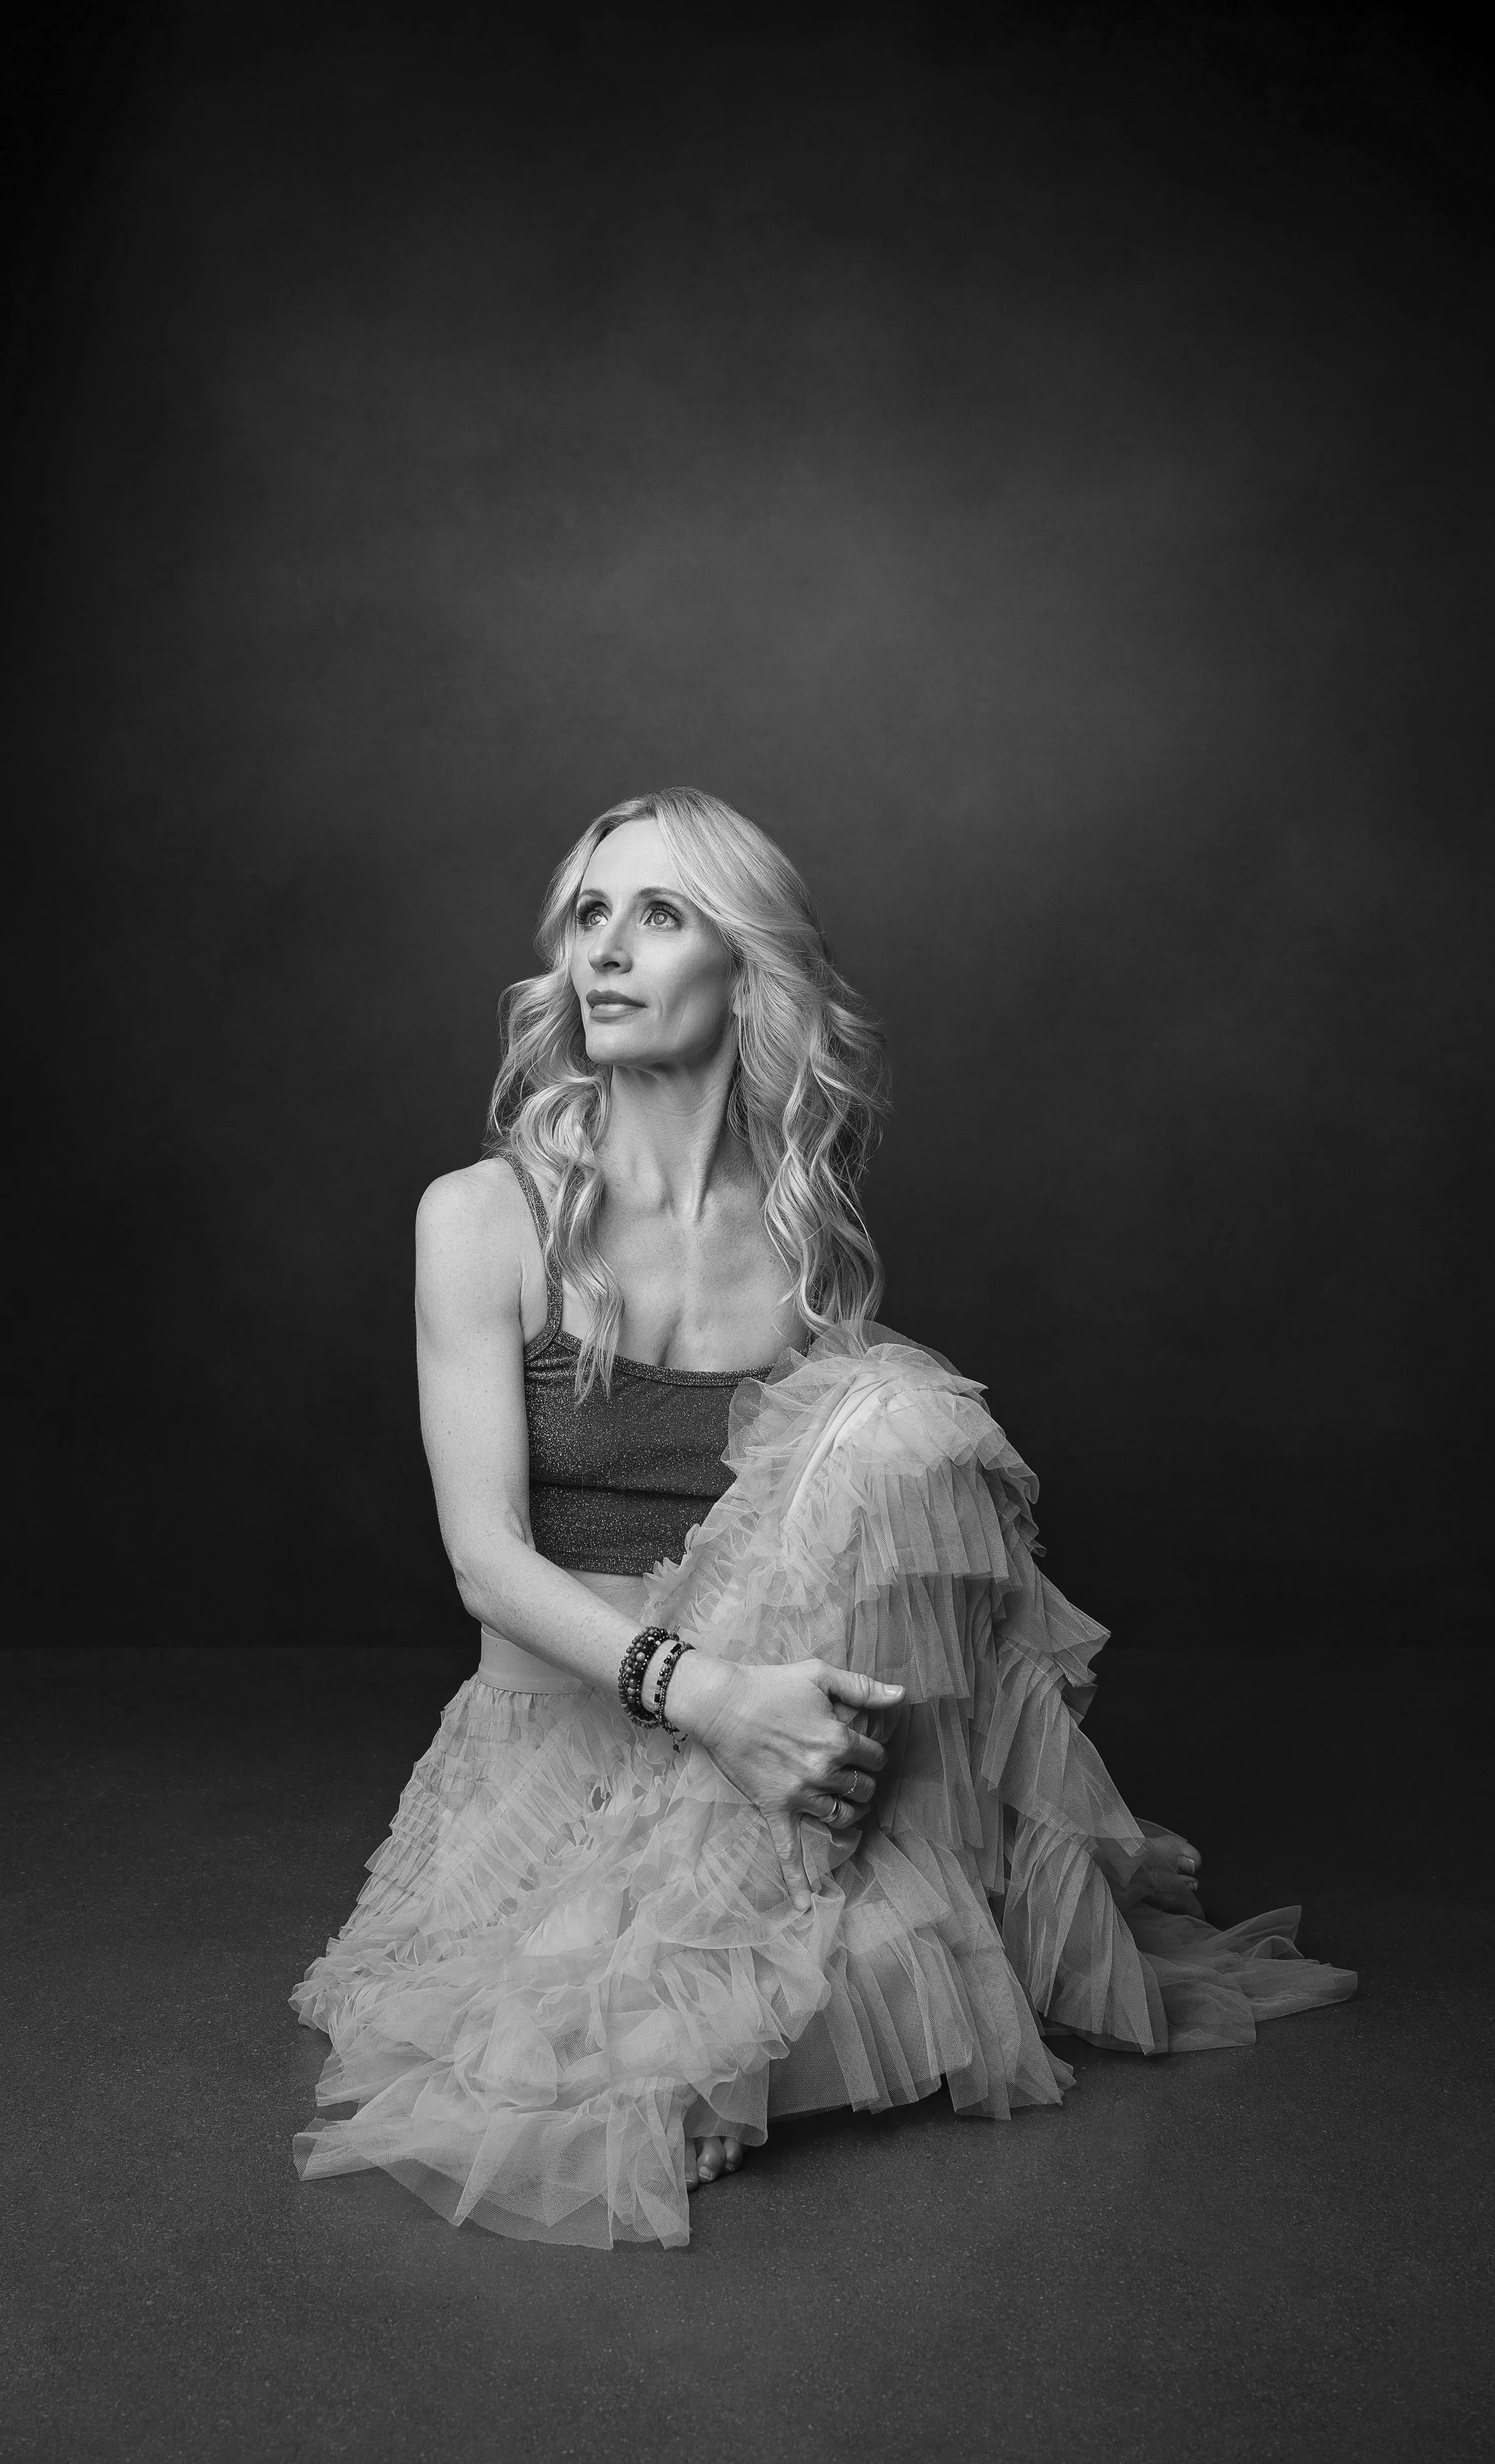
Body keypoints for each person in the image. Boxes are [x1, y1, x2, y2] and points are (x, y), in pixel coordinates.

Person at [290, 788, 1354, 2248]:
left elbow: (823, 1544)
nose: (605, 951)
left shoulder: (800, 1225)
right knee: (571, 2052)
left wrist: (762, 1699)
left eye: (658, 916)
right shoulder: (481, 1216)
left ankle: (783, 1938)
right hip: (588, 1729)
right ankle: (693, 1994)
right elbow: (484, 1563)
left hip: (768, 1716)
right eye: (589, 915)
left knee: (898, 1420)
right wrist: (707, 1692)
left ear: (742, 969)